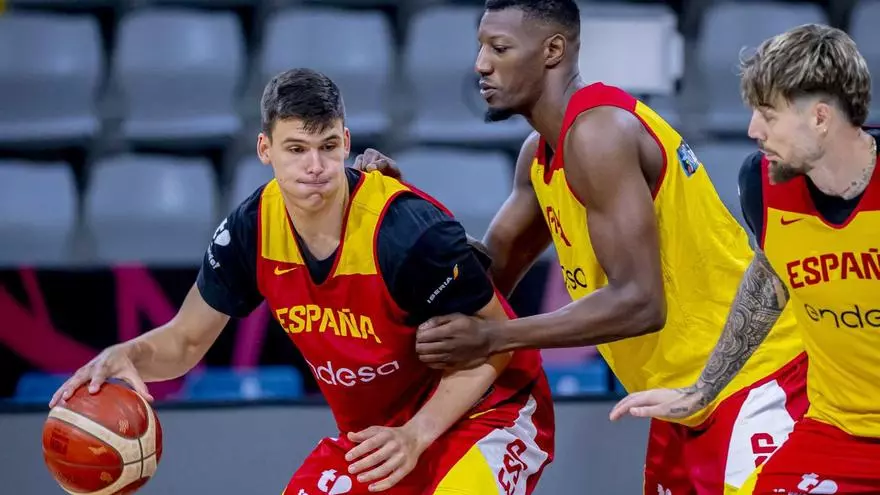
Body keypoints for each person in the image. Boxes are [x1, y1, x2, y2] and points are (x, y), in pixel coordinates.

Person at [354, 0, 808, 492]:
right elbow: (486, 279)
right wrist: (400, 208)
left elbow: (639, 303)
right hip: (681, 399)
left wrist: (495, 338)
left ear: (553, 50)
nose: (481, 64)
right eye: (481, 47)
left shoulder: (599, 133)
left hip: (756, 380)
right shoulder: (540, 155)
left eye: (499, 48)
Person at [48, 68, 555, 495]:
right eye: (296, 149)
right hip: (379, 432)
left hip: (490, 409)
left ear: (346, 142)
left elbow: (495, 344)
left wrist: (417, 434)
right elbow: (185, 340)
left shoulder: (406, 232)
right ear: (265, 149)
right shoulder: (251, 230)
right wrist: (130, 354)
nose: (315, 167)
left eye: (328, 146)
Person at [611, 24, 880, 493]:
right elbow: (769, 278)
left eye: (768, 115)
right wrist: (700, 391)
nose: (753, 130)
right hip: (837, 430)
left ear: (820, 118)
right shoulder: (764, 183)